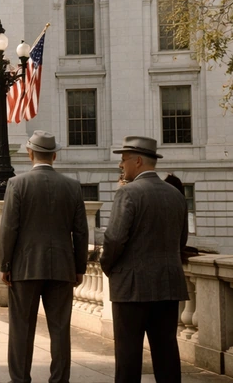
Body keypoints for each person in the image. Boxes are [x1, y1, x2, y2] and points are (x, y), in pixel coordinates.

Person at [0, 131, 88, 383]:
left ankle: (19, 379)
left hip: (24, 267)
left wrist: (5, 264)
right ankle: (59, 380)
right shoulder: (72, 186)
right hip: (62, 267)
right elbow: (81, 231)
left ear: (30, 154)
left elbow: (9, 228)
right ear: (55, 156)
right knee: (60, 330)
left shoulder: (17, 184)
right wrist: (79, 266)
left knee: (21, 329)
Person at [101, 135, 188, 383]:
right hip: (168, 285)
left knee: (128, 359)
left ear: (138, 161)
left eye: (124, 160)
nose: (121, 165)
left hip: (131, 289)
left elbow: (114, 239)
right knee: (167, 355)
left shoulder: (128, 193)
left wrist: (109, 268)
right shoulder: (176, 195)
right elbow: (180, 242)